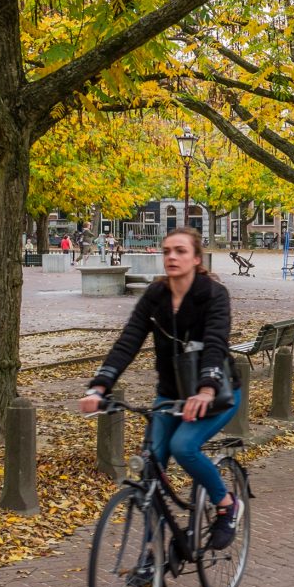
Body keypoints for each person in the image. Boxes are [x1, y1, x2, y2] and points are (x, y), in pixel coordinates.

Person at [79, 228, 245, 550]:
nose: (171, 256)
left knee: (184, 446)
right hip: (171, 394)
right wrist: (100, 386)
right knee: (149, 467)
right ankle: (150, 555)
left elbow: (215, 343)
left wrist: (206, 390)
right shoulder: (156, 296)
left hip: (217, 394)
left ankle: (226, 504)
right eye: (167, 250)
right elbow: (128, 341)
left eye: (180, 251)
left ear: (197, 259)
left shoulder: (213, 294)